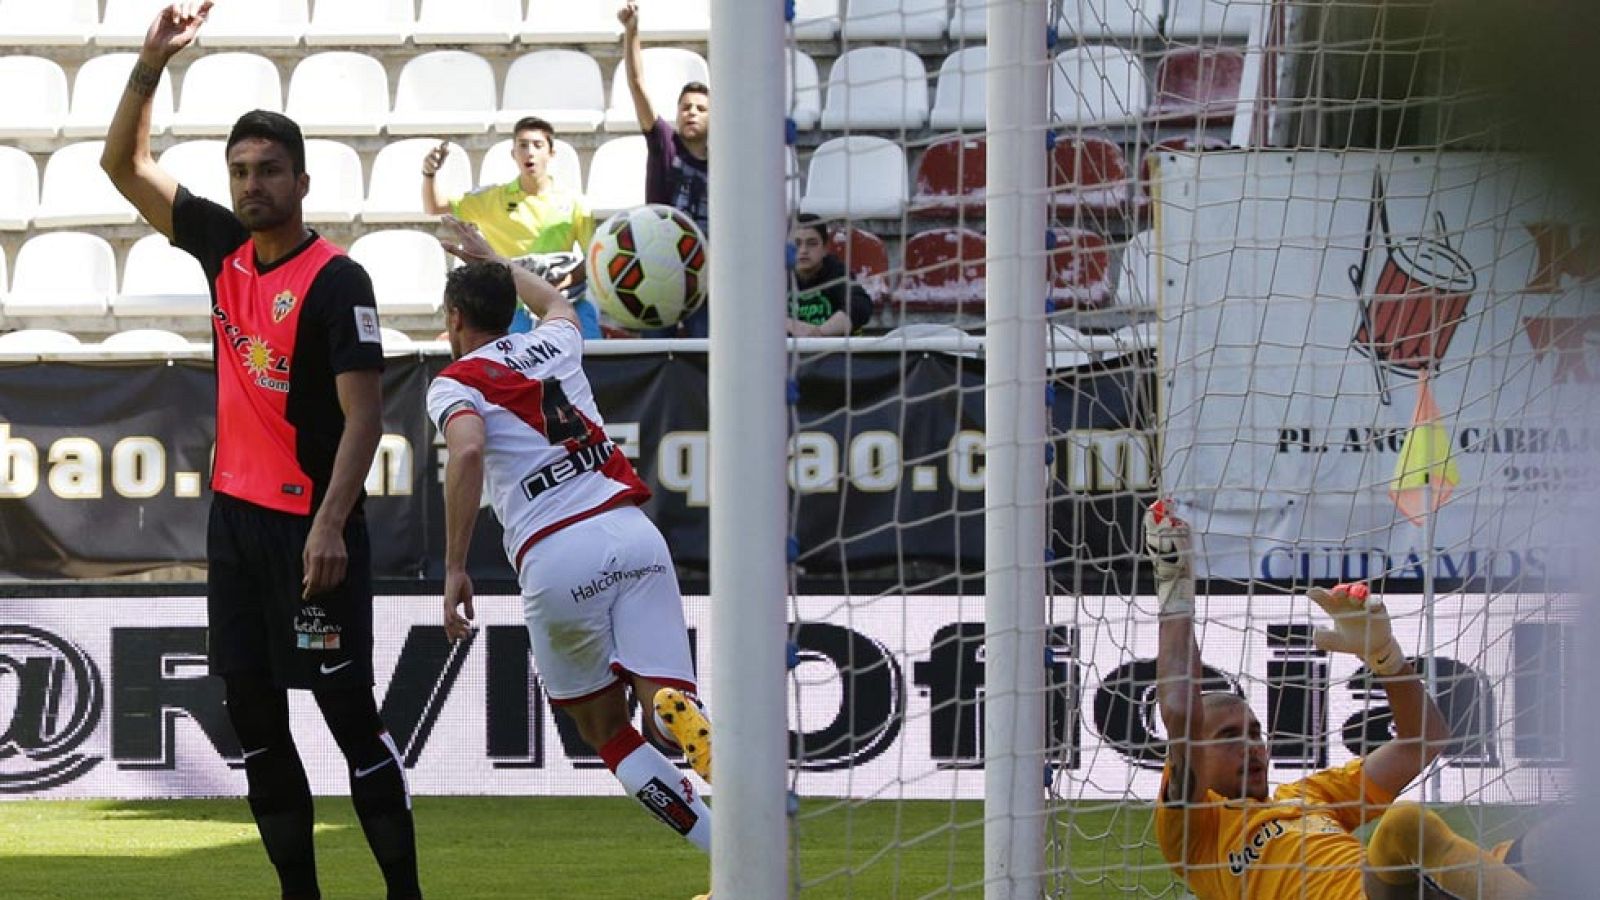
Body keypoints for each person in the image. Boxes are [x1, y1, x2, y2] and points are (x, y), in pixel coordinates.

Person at [99, 4, 421, 898]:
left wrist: (331, 525)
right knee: (254, 720)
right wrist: (150, 63)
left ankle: (404, 894)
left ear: (301, 180)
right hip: (236, 530)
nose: (252, 184)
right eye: (240, 171)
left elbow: (366, 418)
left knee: (348, 714)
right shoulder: (223, 248)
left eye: (269, 170)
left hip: (313, 534)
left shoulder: (338, 280)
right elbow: (123, 166)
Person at [426, 217, 714, 860]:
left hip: (556, 550)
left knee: (605, 730)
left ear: (454, 319)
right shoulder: (555, 342)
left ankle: (720, 849)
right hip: (633, 532)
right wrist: (493, 257)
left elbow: (467, 451)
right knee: (664, 701)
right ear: (510, 310)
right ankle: (675, 717)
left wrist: (454, 566)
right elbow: (555, 301)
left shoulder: (455, 381)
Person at [1145, 499, 1539, 899]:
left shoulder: (1307, 796)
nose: (1252, 747)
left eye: (1255, 733)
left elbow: (1423, 741)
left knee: (1547, 843)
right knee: (1403, 826)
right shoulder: (1198, 835)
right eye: (1229, 736)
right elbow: (1181, 712)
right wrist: (1175, 585)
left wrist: (1385, 656)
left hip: (1410, 891)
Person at [420, 117, 601, 339]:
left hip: (562, 302)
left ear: (551, 153)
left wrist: (556, 287)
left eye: (537, 145)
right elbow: (434, 206)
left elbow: (592, 259)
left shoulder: (575, 202)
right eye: (522, 145)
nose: (529, 152)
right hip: (509, 309)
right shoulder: (493, 198)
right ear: (513, 153)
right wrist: (429, 174)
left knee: (593, 351)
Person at [619, 0, 711, 338]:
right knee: (658, 351)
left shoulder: (727, 161)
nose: (691, 112)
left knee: (707, 350)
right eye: (685, 107)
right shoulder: (664, 142)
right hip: (659, 266)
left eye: (700, 108)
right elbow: (637, 82)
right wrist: (632, 32)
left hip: (705, 272)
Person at [788, 214, 874, 337]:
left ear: (825, 248)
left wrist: (819, 333)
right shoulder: (777, 275)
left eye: (812, 243)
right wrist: (790, 325)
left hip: (835, 347)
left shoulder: (836, 272)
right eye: (797, 243)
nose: (803, 250)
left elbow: (860, 306)